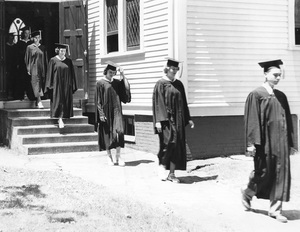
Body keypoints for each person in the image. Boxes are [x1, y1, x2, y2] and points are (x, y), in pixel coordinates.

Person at [241, 59, 293, 223]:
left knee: (281, 175)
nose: (278, 77)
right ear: (265, 74)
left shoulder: (281, 96)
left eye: (279, 75)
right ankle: (247, 191)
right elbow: (252, 120)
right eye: (275, 75)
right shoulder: (256, 95)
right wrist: (251, 143)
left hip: (281, 143)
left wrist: (291, 143)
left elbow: (288, 121)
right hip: (265, 143)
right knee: (263, 173)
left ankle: (275, 210)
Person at [152, 58, 194, 183]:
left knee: (177, 145)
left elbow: (184, 103)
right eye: (172, 69)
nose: (174, 71)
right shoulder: (161, 83)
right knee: (169, 142)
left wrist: (188, 118)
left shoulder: (179, 84)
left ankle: (172, 173)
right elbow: (158, 103)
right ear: (167, 69)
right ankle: (161, 165)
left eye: (176, 69)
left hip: (178, 118)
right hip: (165, 119)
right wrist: (158, 120)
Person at [95, 61, 131, 166]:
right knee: (107, 134)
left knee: (119, 132)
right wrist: (101, 114)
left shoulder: (116, 83)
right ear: (106, 71)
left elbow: (126, 89)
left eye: (113, 73)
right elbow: (98, 101)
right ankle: (109, 157)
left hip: (117, 111)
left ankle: (118, 157)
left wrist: (122, 74)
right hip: (106, 112)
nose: (112, 74)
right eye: (110, 72)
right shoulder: (100, 83)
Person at [45, 43, 77, 128]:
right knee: (58, 101)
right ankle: (60, 119)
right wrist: (50, 85)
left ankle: (62, 118)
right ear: (58, 51)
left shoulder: (68, 61)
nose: (63, 53)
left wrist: (72, 85)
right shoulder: (53, 60)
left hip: (66, 85)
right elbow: (50, 73)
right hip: (56, 84)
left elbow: (72, 74)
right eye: (61, 51)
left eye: (64, 51)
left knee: (65, 101)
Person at [24, 30, 48, 108]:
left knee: (40, 83)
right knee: (35, 83)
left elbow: (45, 59)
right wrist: (28, 69)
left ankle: (37, 101)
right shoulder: (30, 47)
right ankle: (39, 100)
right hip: (33, 68)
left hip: (41, 68)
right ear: (33, 39)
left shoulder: (43, 47)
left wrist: (46, 69)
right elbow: (27, 59)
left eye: (38, 38)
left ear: (40, 38)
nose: (37, 39)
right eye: (35, 38)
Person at [16, 26, 34, 100]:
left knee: (30, 79)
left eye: (28, 33)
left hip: (30, 63)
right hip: (22, 63)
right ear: (23, 34)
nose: (27, 34)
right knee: (22, 79)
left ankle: (30, 95)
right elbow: (17, 54)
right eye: (25, 33)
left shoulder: (31, 43)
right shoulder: (20, 43)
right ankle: (21, 95)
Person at [5, 32, 17, 100]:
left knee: (14, 79)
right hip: (7, 65)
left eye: (12, 38)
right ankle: (7, 94)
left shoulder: (15, 46)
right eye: (10, 38)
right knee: (7, 79)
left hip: (14, 65)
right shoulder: (5, 46)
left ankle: (14, 94)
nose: (11, 39)